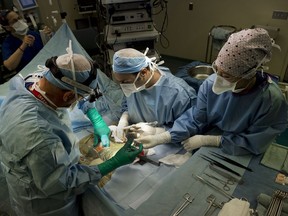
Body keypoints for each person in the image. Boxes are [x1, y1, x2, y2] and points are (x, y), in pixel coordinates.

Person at [0, 51, 143, 215]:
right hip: (45, 205)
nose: (78, 101)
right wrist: (114, 162)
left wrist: (96, 118)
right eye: (76, 98)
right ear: (68, 96)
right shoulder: (38, 134)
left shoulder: (39, 80)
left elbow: (74, 88)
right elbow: (61, 183)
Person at [135, 28, 288, 155]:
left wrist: (213, 141)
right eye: (217, 70)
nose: (218, 79)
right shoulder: (209, 85)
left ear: (249, 73)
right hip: (217, 139)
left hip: (245, 151)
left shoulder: (271, 100)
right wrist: (163, 137)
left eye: (227, 75)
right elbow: (196, 118)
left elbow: (256, 142)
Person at [111, 48, 197, 142]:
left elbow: (189, 127)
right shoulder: (135, 85)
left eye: (125, 82)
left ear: (143, 72)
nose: (123, 86)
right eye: (119, 82)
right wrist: (124, 119)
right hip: (137, 137)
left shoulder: (179, 93)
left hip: (169, 142)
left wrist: (156, 132)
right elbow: (127, 104)